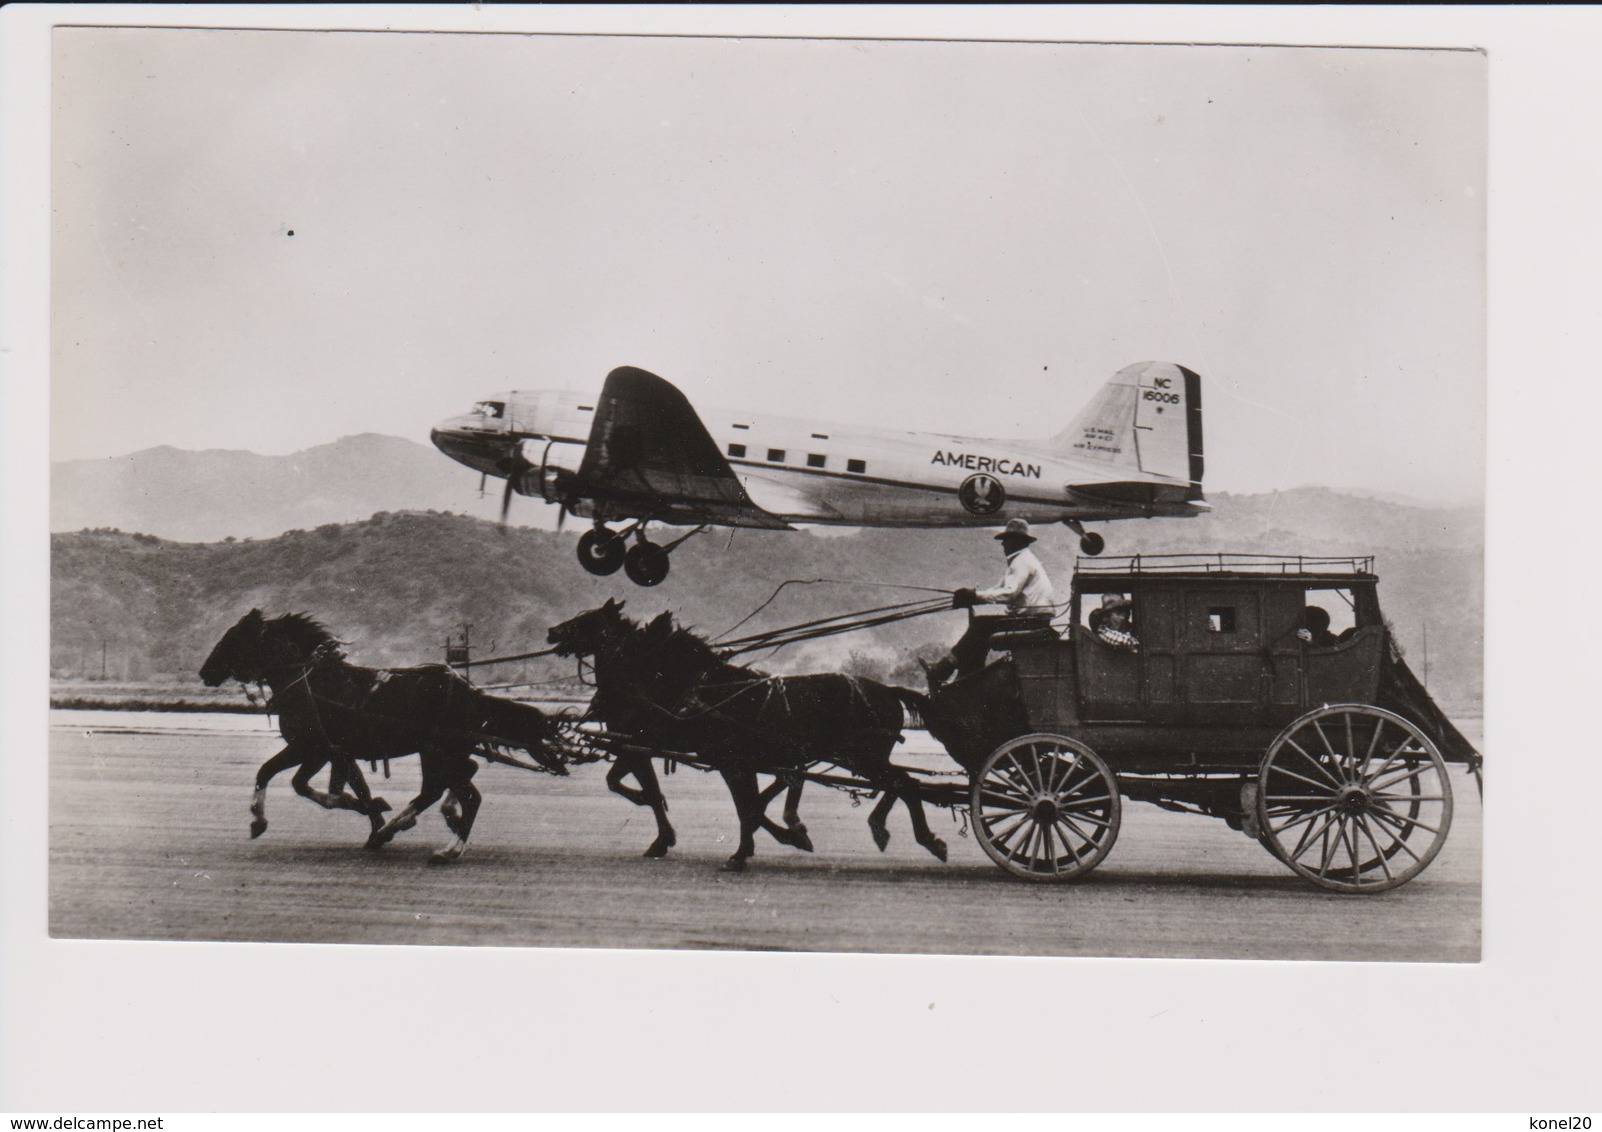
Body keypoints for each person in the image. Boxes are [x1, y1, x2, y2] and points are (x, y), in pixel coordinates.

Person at [922, 518, 1055, 690]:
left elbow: (1009, 592)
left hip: (1032, 620)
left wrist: (974, 596)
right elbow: (997, 589)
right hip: (1033, 618)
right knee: (982, 628)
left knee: (980, 625)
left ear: (1017, 541)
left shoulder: (1022, 562)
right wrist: (973, 596)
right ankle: (966, 677)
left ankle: (944, 670)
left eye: (1006, 540)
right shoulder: (1021, 561)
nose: (1003, 545)